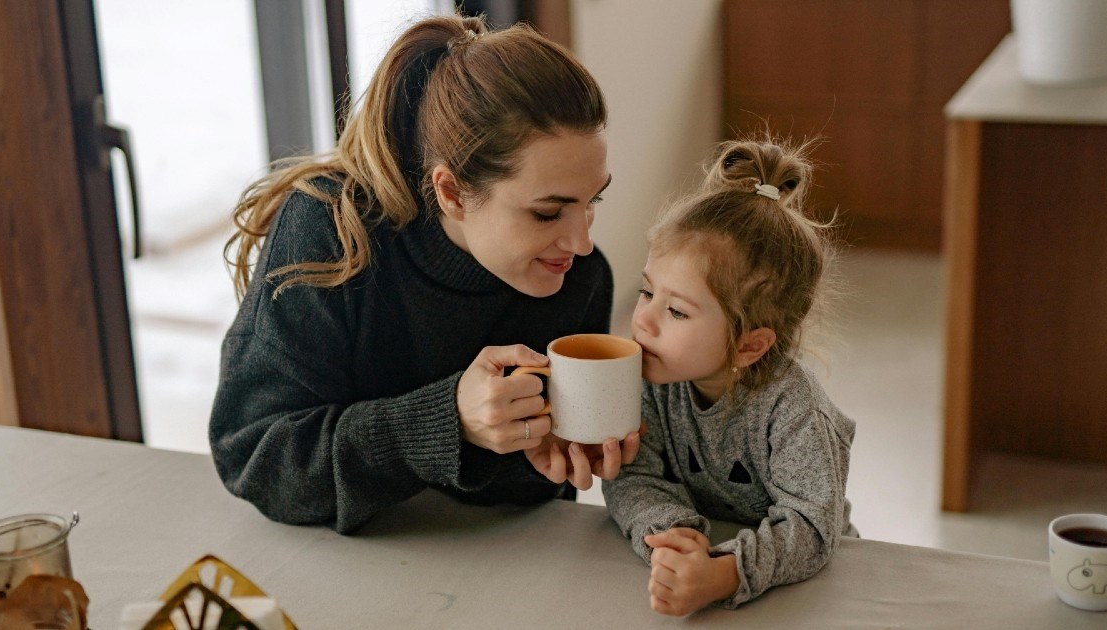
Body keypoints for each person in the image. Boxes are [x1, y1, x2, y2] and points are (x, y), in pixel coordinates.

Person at [209, 14, 641, 534]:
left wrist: (529, 451)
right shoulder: (330, 230)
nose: (582, 242)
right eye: (548, 213)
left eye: (593, 201)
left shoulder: (579, 277)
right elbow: (254, 457)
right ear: (452, 192)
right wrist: (446, 423)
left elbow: (524, 502)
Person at [602, 137, 858, 615]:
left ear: (750, 344)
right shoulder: (653, 377)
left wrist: (726, 572)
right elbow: (634, 472)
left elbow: (812, 524)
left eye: (676, 311)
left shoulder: (794, 409)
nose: (644, 321)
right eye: (646, 292)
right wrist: (671, 535)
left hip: (804, 587)